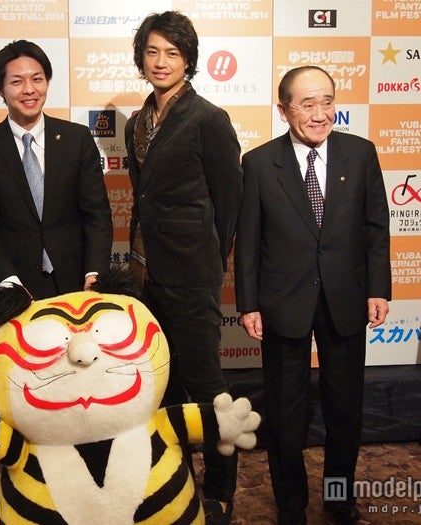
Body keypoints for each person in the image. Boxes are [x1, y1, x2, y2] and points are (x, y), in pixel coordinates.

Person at [234, 66, 391, 524]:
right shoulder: (259, 163)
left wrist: (378, 289)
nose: (320, 114)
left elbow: (376, 228)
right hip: (283, 302)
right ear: (283, 110)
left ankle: (339, 499)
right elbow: (249, 241)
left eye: (327, 101)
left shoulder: (360, 154)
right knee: (286, 415)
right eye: (307, 104)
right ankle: (291, 506)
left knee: (345, 410)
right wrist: (249, 302)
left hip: (347, 299)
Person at [126, 11, 243, 525]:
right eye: (152, 52)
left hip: (192, 274)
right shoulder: (136, 122)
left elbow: (230, 201)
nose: (161, 62)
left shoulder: (208, 119)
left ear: (188, 59)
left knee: (208, 388)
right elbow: (144, 196)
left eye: (172, 53)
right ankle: (176, 485)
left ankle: (219, 489)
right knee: (163, 388)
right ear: (141, 58)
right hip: (146, 276)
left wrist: (211, 264)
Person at [0, 39, 113, 300]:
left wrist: (94, 274)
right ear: (0, 89)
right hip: (14, 289)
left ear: (47, 82)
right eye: (17, 81)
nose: (29, 90)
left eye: (37, 79)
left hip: (78, 286)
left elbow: (97, 214)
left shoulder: (76, 139)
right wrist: (8, 282)